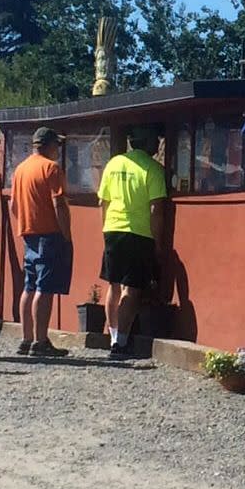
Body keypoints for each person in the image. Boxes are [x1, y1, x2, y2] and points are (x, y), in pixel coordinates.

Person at [98, 125, 166, 357]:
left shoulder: (114, 163)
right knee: (132, 289)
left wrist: (105, 229)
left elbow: (103, 202)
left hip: (112, 229)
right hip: (139, 232)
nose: (158, 145)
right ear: (148, 143)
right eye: (156, 140)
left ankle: (113, 335)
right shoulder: (154, 169)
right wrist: (158, 242)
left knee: (113, 285)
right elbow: (156, 209)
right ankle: (122, 341)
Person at [9, 127, 72, 357]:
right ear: (48, 145)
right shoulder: (51, 168)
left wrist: (25, 222)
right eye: (58, 145)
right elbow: (59, 204)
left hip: (29, 234)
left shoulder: (21, 169)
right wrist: (66, 234)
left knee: (29, 285)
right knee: (44, 289)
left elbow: (13, 205)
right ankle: (41, 340)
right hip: (50, 234)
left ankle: (26, 338)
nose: (59, 150)